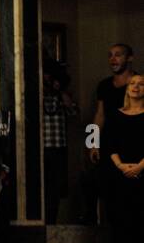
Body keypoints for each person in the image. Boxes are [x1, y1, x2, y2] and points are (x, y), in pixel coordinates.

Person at [87, 43, 137, 224]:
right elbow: (99, 114)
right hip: (109, 143)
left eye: (118, 55)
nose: (113, 59)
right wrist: (92, 143)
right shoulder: (104, 85)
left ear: (129, 58)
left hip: (133, 143)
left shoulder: (138, 82)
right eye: (110, 55)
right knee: (108, 188)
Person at [104, 73, 144, 243]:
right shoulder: (115, 114)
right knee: (124, 218)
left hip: (143, 171)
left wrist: (140, 166)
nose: (136, 87)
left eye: (140, 84)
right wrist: (121, 166)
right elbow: (108, 143)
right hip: (120, 173)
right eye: (132, 84)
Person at [41, 65, 78, 224]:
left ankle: (52, 221)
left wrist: (60, 90)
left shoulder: (62, 96)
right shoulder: (37, 94)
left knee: (55, 188)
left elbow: (74, 111)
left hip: (58, 148)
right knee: (42, 187)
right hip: (40, 148)